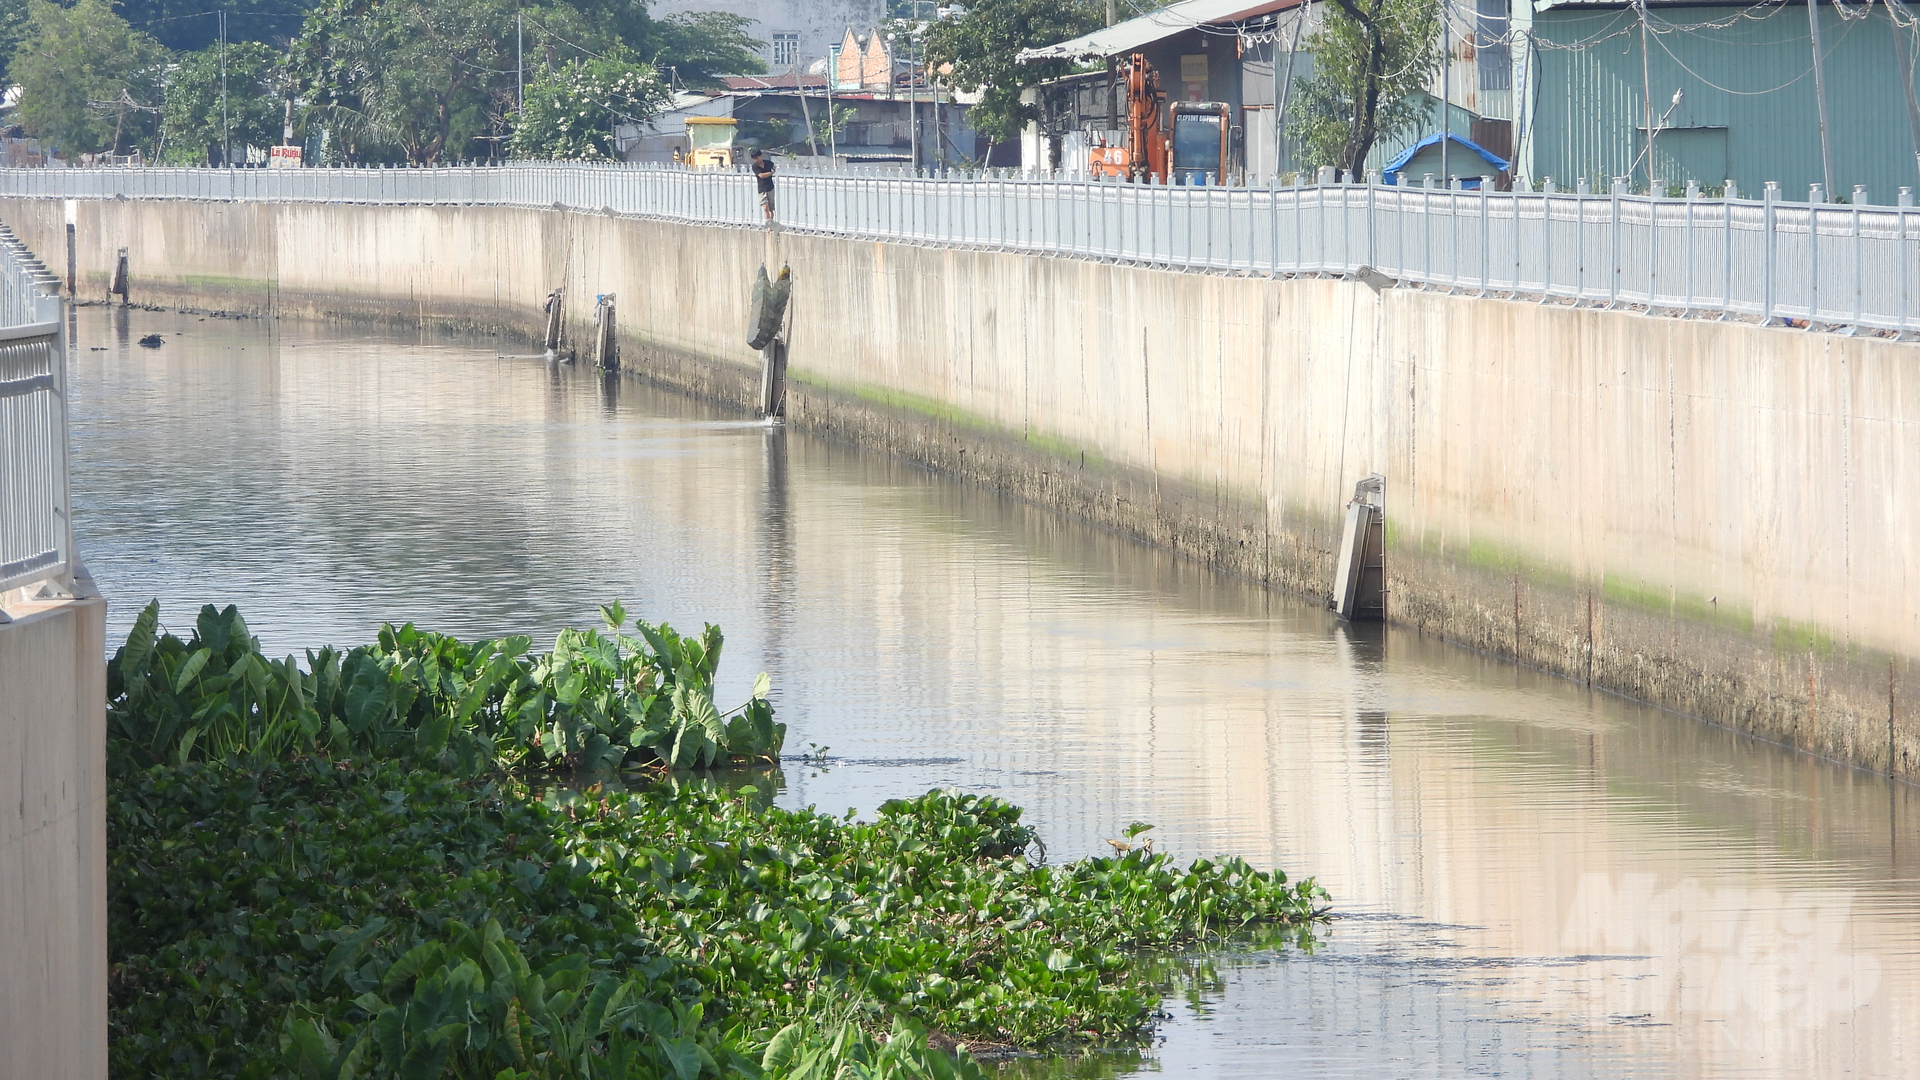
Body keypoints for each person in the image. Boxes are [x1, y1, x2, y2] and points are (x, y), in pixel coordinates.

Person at [750, 148, 775, 222]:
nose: (756, 160)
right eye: (754, 159)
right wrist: (770, 173)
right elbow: (761, 175)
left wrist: (773, 170)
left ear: (760, 156)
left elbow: (774, 167)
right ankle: (768, 225)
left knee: (770, 209)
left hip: (770, 187)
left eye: (757, 158)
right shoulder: (755, 167)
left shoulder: (768, 163)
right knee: (765, 207)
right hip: (762, 189)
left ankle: (771, 223)